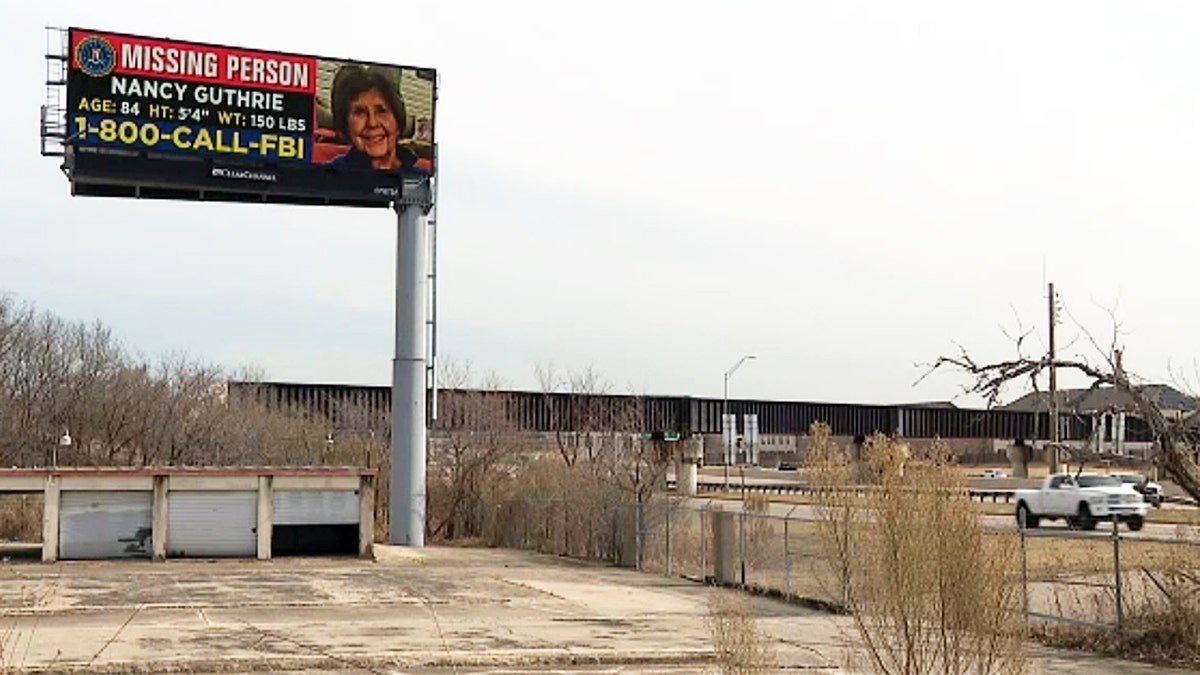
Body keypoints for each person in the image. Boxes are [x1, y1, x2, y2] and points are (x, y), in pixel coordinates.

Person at [325, 65, 427, 174]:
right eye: (360, 112)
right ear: (346, 125)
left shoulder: (422, 180)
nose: (372, 123)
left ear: (398, 120)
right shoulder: (330, 176)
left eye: (382, 111)